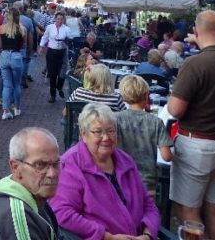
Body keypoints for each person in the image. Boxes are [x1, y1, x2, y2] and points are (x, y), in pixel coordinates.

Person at [167, 10, 215, 240]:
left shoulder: (195, 63)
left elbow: (175, 109)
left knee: (189, 210)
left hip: (198, 145)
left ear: (196, 31)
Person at [50, 103, 160, 240]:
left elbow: (149, 205)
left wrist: (148, 235)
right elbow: (62, 213)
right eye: (98, 131)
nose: (106, 137)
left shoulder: (126, 161)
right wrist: (107, 236)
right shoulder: (71, 165)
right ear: (83, 134)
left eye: (111, 131)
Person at [0, 127, 61, 240]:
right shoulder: (17, 218)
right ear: (16, 167)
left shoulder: (32, 195)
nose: (52, 174)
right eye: (40, 165)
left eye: (56, 163)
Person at [116, 75, 173, 195]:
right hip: (147, 182)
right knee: (147, 212)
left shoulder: (116, 119)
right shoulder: (155, 121)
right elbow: (167, 156)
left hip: (121, 178)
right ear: (146, 96)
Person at [0, 7, 27, 120]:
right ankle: (17, 108)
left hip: (4, 55)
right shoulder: (22, 29)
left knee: (6, 85)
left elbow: (0, 45)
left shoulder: (1, 28)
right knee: (16, 84)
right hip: (16, 55)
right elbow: (23, 45)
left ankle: (5, 111)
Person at [39, 11, 71, 103]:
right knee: (52, 74)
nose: (60, 21)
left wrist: (66, 41)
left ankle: (59, 87)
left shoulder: (67, 29)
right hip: (51, 52)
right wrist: (41, 47)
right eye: (58, 19)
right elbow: (44, 37)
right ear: (55, 19)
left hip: (62, 52)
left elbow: (69, 41)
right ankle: (52, 95)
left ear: (64, 20)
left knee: (61, 74)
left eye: (61, 19)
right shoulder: (50, 27)